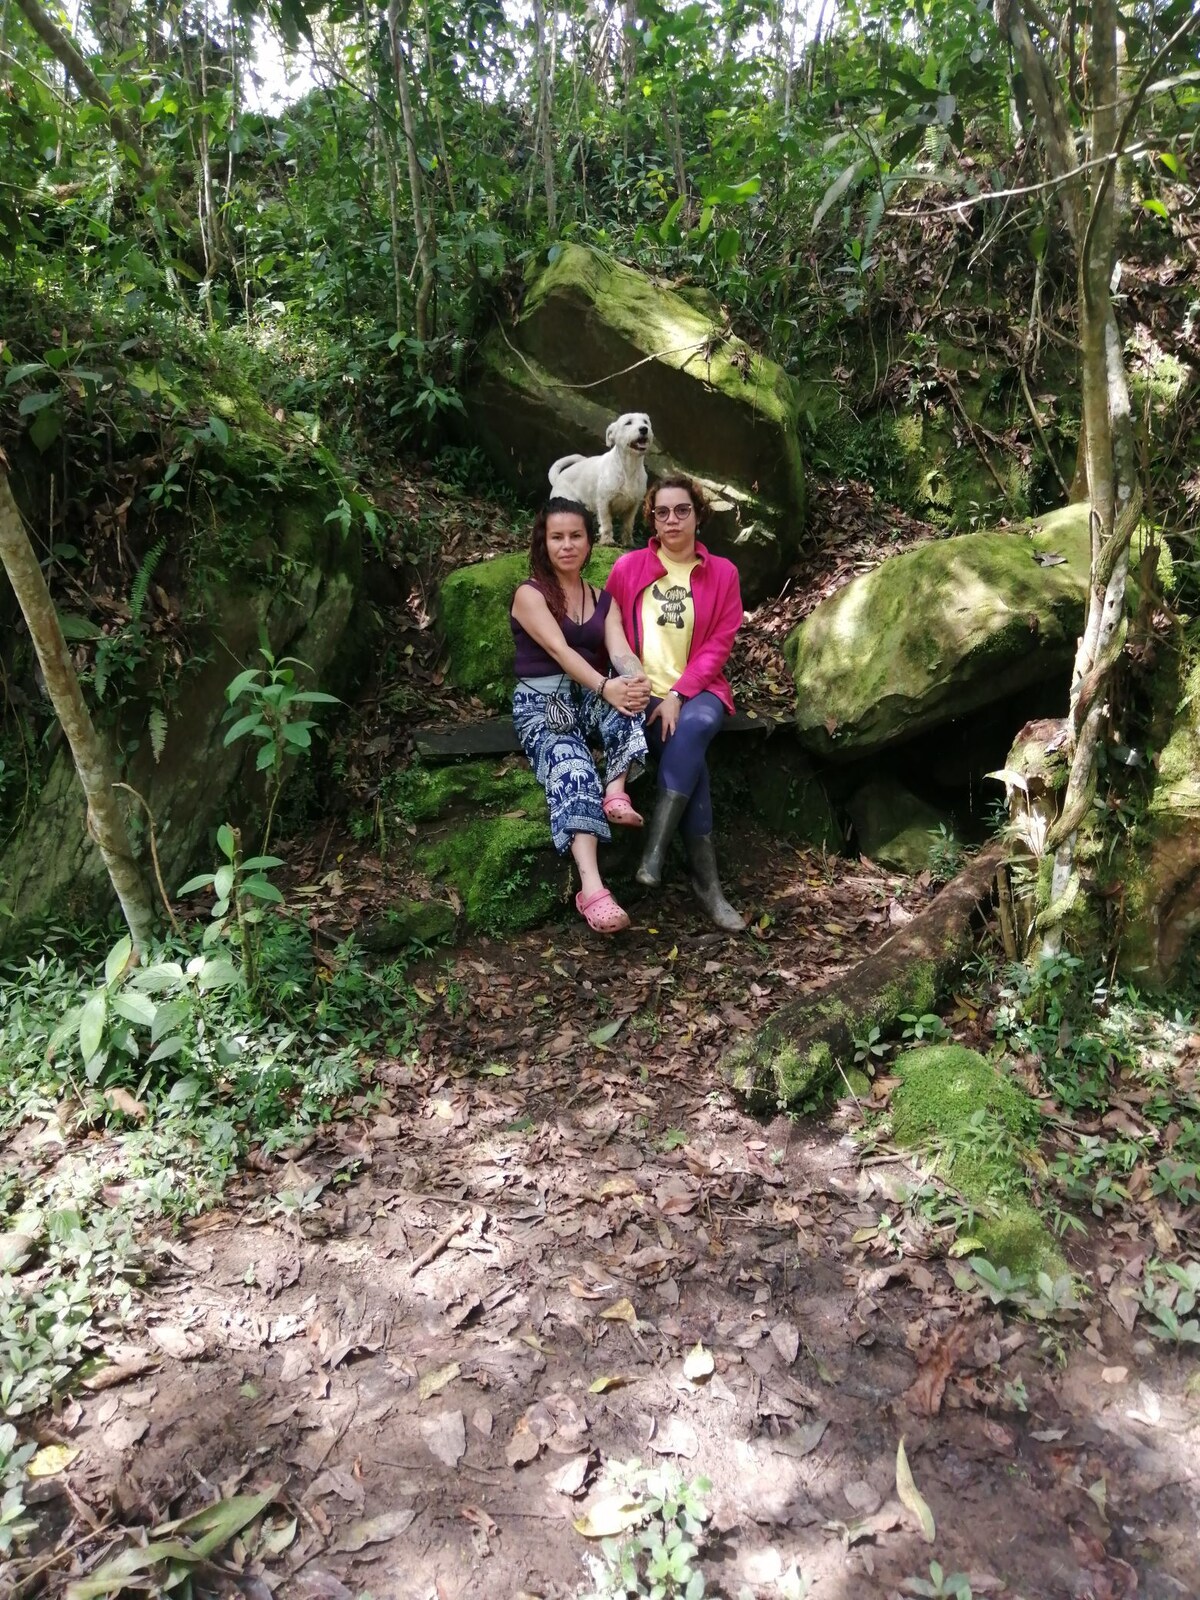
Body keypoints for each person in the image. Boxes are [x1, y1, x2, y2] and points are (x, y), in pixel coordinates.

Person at [604, 475, 746, 932]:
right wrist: (634, 684)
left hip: (699, 690)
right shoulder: (628, 568)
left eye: (681, 510)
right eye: (662, 512)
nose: (671, 520)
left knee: (695, 725)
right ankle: (709, 886)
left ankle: (655, 852)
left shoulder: (723, 572)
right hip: (641, 691)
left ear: (698, 514)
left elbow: (720, 643)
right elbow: (611, 632)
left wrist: (681, 694)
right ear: (651, 516)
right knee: (692, 761)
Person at [511, 498, 651, 934]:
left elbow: (621, 651)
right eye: (557, 537)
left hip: (587, 694)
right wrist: (606, 685)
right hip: (543, 704)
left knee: (629, 702)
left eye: (576, 536)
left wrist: (634, 678)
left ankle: (615, 793)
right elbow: (560, 650)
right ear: (544, 543)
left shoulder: (601, 598)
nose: (567, 545)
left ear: (590, 542)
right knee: (572, 766)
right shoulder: (529, 594)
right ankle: (593, 890)